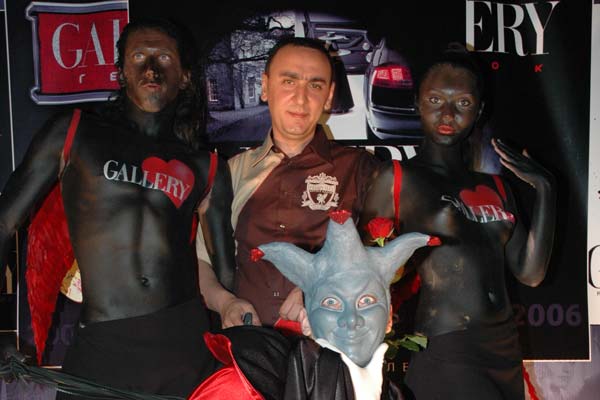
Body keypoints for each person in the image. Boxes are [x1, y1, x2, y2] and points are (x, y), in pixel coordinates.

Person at [0, 18, 235, 399]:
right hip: (104, 346)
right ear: (121, 72)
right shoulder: (75, 133)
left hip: (185, 346)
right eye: (139, 57)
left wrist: (232, 346)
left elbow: (225, 272)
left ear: (185, 76)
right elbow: (3, 223)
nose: (151, 69)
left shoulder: (205, 166)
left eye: (164, 57)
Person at [360, 47, 556, 399]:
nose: (447, 113)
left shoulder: (497, 187)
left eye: (462, 102)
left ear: (479, 111)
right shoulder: (397, 178)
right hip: (448, 347)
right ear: (417, 102)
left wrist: (546, 189)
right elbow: (363, 268)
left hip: (505, 348)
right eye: (435, 99)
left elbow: (531, 273)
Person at [196, 36, 378, 330]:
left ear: (329, 96)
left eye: (315, 86)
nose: (301, 98)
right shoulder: (231, 172)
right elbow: (202, 261)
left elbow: (383, 257)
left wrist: (323, 283)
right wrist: (225, 303)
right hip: (248, 344)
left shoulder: (361, 170)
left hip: (332, 343)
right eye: (289, 82)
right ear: (265, 87)